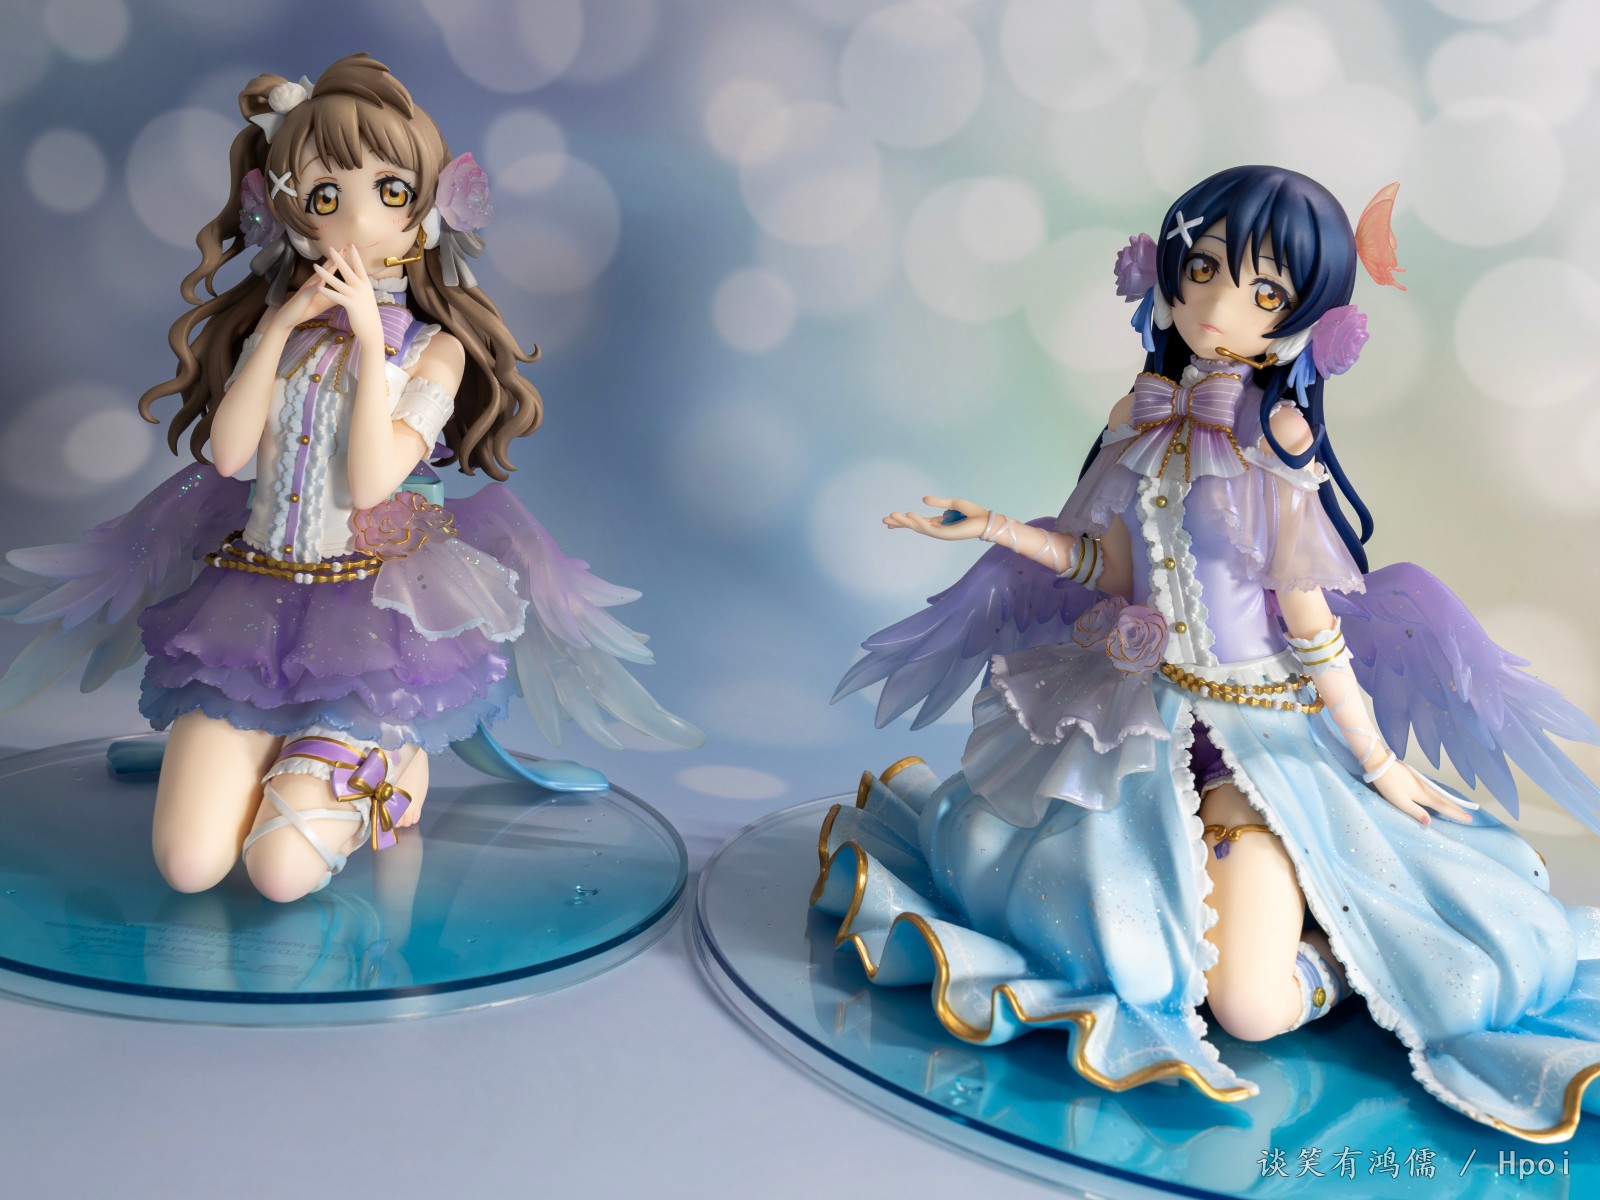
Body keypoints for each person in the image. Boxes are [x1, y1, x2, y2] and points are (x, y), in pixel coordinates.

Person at [820, 165, 1600, 1141]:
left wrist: (1376, 760)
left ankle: (1339, 959)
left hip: (1255, 741)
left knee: (1250, 1008)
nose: (1220, 305)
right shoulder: (1141, 420)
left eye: (1263, 291)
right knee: (1071, 911)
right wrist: (992, 529)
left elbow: (1311, 626)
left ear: (1301, 320)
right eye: (1204, 270)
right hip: (1139, 719)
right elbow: (1109, 567)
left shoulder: (1273, 444)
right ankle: (1270, 912)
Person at [2, 54, 700, 904]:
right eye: (326, 194)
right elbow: (227, 455)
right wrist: (278, 329)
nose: (358, 218)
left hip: (370, 618)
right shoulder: (282, 331)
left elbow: (371, 480)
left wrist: (371, 341)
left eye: (389, 191)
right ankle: (275, 752)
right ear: (290, 211)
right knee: (189, 865)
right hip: (252, 601)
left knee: (278, 872)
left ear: (426, 216)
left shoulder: (433, 350)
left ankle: (393, 759)